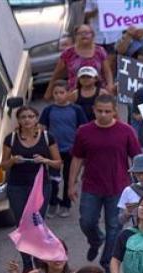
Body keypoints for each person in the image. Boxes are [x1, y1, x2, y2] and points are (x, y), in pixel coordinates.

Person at [68, 95, 142, 273]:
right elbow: (77, 158)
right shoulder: (83, 131)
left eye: (107, 111)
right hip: (91, 186)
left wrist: (141, 186)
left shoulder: (126, 131)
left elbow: (137, 158)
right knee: (87, 221)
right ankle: (95, 240)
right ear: (93, 110)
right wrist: (71, 184)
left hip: (119, 187)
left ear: (114, 111)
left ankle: (107, 261)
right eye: (99, 111)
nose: (103, 114)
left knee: (115, 226)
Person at [1, 106, 62, 273]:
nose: (27, 120)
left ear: (36, 119)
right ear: (18, 120)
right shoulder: (11, 138)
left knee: (36, 224)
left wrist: (44, 160)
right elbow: (3, 166)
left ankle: (39, 260)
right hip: (17, 186)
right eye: (23, 117)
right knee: (22, 225)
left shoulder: (47, 137)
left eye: (30, 116)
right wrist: (13, 160)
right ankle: (27, 265)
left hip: (41, 186)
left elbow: (58, 162)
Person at [39, 81, 88, 219]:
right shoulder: (48, 110)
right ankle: (53, 203)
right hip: (53, 151)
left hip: (72, 151)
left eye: (62, 92)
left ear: (68, 93)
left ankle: (66, 205)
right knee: (53, 179)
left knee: (68, 179)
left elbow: (83, 129)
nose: (59, 96)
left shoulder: (76, 109)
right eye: (56, 93)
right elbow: (42, 129)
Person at [44, 24, 112, 100]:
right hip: (74, 93)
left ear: (92, 35)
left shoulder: (100, 51)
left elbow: (107, 72)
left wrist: (110, 85)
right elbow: (57, 74)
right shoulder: (68, 53)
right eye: (80, 33)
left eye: (87, 33)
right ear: (76, 36)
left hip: (98, 92)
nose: (84, 35)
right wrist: (49, 90)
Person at [117, 154, 143, 227]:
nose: (141, 177)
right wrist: (127, 213)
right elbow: (120, 221)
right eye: (138, 173)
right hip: (135, 232)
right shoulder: (129, 190)